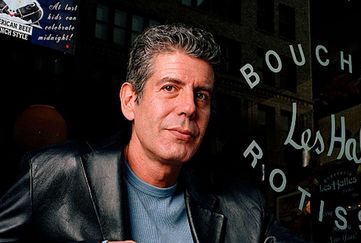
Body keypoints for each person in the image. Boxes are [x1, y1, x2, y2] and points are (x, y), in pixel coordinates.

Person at [0, 23, 307, 243]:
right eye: (170, 88)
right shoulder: (53, 173)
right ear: (130, 101)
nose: (189, 107)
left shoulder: (243, 208)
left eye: (202, 95)